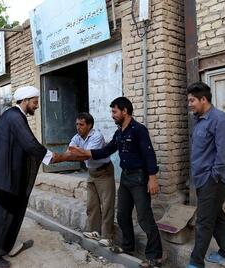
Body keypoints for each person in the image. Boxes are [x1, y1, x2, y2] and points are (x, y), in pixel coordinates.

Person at [68, 97, 163, 268]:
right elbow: (108, 149)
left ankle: (154, 256)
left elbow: (149, 154)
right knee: (122, 215)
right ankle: (128, 248)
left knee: (144, 216)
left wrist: (152, 178)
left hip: (140, 178)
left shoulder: (138, 130)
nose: (112, 115)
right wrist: (86, 153)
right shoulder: (120, 132)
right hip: (126, 177)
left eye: (114, 111)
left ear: (125, 111)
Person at [0, 85, 56, 268]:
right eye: (34, 102)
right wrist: (53, 157)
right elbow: (30, 144)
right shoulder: (15, 117)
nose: (36, 106)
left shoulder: (14, 116)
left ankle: (5, 246)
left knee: (7, 214)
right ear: (24, 101)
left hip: (4, 175)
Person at [186, 82, 225, 268]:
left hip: (212, 181)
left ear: (204, 99)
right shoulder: (200, 120)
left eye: (192, 100)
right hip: (202, 179)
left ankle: (195, 262)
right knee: (217, 217)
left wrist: (212, 177)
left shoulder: (221, 120)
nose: (189, 104)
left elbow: (223, 155)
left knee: (204, 222)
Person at [55, 112, 115, 246]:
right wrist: (61, 156)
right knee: (92, 204)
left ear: (89, 125)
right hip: (92, 173)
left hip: (104, 172)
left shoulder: (96, 136)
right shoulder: (77, 137)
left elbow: (86, 155)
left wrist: (71, 154)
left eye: (81, 124)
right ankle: (95, 231)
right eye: (76, 124)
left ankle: (108, 236)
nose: (78, 127)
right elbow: (70, 151)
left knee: (107, 205)